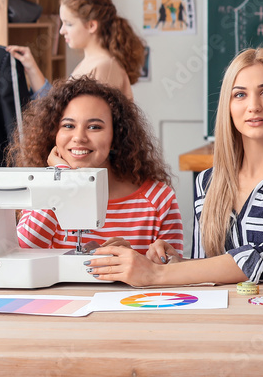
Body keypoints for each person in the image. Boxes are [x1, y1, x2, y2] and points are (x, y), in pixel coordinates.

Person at [84, 48, 263, 286]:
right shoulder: (208, 182)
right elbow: (206, 270)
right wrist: (174, 263)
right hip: (226, 320)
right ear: (228, 107)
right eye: (240, 94)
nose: (253, 106)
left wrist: (156, 274)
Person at [10, 76, 183, 253]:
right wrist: (61, 180)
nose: (79, 137)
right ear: (53, 134)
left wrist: (137, 261)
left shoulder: (159, 200)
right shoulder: (43, 191)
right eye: (68, 125)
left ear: (116, 137)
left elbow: (173, 270)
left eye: (94, 127)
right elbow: (23, 251)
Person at [7, 0, 146, 100]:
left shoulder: (104, 67)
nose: (61, 31)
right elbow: (59, 107)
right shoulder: (89, 64)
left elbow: (84, 121)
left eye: (68, 24)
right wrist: (31, 67)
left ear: (91, 26)